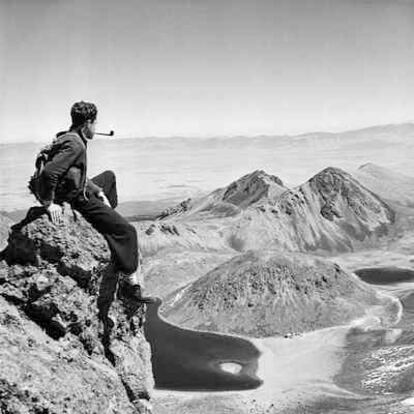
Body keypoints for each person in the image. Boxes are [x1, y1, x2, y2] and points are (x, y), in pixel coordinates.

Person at [37, 101, 155, 321]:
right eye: (95, 123)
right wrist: (49, 203)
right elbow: (49, 174)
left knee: (109, 177)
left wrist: (98, 190)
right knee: (128, 232)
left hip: (79, 189)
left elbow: (76, 175)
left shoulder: (68, 137)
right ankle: (130, 284)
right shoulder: (76, 145)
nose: (96, 127)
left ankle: (107, 218)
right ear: (87, 123)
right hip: (76, 199)